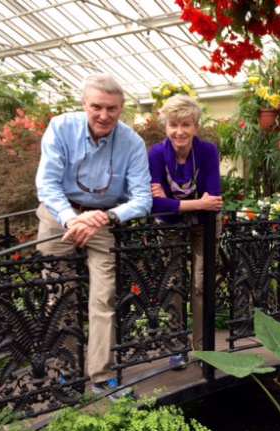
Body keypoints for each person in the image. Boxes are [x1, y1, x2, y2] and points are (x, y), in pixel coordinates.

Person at [35, 73, 152, 394]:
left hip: (102, 220)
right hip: (59, 216)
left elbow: (143, 199)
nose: (104, 115)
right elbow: (47, 184)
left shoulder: (132, 142)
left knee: (104, 296)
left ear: (121, 108)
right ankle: (65, 370)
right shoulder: (61, 127)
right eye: (96, 107)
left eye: (111, 108)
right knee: (59, 295)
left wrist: (107, 216)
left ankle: (101, 374)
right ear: (84, 104)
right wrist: (72, 220)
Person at [148, 94, 223, 355]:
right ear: (166, 127)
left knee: (202, 285)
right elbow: (155, 205)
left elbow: (214, 199)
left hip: (205, 225)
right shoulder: (156, 154)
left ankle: (202, 347)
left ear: (196, 127)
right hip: (170, 226)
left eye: (186, 125)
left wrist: (171, 201)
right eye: (173, 125)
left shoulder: (207, 151)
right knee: (173, 285)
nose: (179, 131)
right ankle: (176, 347)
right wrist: (198, 203)